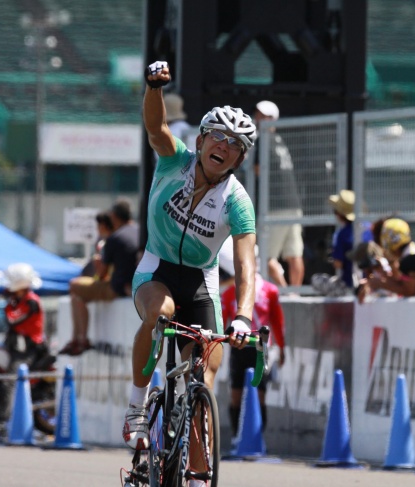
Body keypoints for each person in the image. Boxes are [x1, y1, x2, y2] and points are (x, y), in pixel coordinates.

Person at [124, 61, 257, 459]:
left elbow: (247, 265)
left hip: (201, 282)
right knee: (160, 311)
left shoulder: (237, 201)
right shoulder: (174, 161)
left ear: (239, 159)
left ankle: (198, 476)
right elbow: (155, 129)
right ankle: (136, 404)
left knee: (203, 377)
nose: (224, 146)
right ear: (200, 142)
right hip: (157, 267)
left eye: (235, 144)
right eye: (217, 136)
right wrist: (153, 88)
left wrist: (244, 316)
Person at [219, 240, 285, 438]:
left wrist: (282, 348)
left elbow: (277, 322)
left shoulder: (270, 290)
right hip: (237, 346)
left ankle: (257, 438)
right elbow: (222, 323)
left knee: (260, 394)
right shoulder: (229, 292)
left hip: (260, 347)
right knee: (236, 393)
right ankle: (237, 437)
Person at [59, 199, 140, 356]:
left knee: (74, 286)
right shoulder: (140, 231)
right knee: (77, 298)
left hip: (116, 288)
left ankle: (80, 339)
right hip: (135, 285)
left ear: (114, 217)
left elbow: (101, 274)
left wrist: (98, 263)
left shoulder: (115, 238)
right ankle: (79, 339)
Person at [252, 100, 305, 288]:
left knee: (264, 255)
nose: (257, 118)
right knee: (294, 254)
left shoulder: (262, 140)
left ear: (271, 119)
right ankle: (295, 293)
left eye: (262, 115)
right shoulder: (280, 141)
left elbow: (256, 170)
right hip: (294, 203)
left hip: (275, 205)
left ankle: (282, 290)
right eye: (258, 114)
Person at [356, 218, 415, 300]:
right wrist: (372, 282)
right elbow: (400, 282)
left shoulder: (411, 256)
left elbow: (409, 290)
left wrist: (379, 283)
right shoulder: (411, 253)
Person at [3, 263, 45, 369]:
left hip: (31, 347)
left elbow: (13, 320)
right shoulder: (18, 301)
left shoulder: (30, 301)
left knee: (16, 372)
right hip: (20, 346)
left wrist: (10, 304)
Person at [79, 211, 114, 279]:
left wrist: (97, 263)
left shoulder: (110, 242)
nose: (97, 228)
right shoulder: (101, 242)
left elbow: (102, 273)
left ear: (104, 225)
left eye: (99, 225)